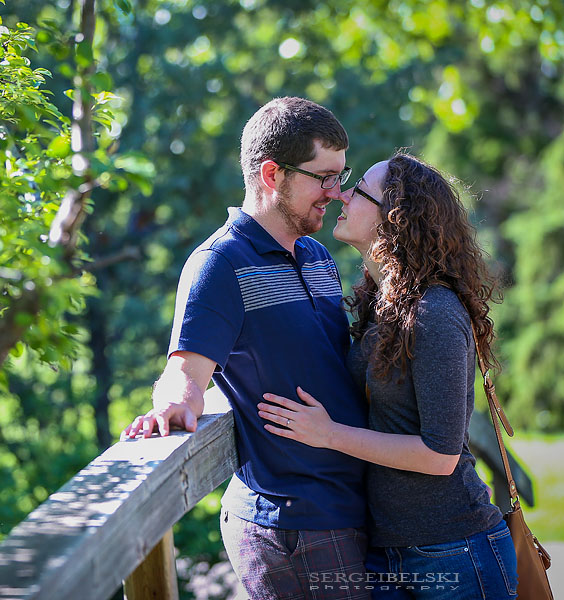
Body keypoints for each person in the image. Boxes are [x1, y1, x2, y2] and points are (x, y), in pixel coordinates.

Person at [121, 97, 370, 600]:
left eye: (340, 176)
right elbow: (186, 373)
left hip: (349, 502)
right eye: (323, 177)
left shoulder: (318, 255)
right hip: (296, 520)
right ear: (273, 174)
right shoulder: (219, 264)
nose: (336, 193)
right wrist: (170, 404)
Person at [256, 153, 518, 599]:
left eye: (356, 191)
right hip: (388, 549)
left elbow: (440, 456)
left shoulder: (434, 312)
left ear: (394, 217)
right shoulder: (382, 306)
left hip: (455, 548)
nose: (339, 193)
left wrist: (329, 434)